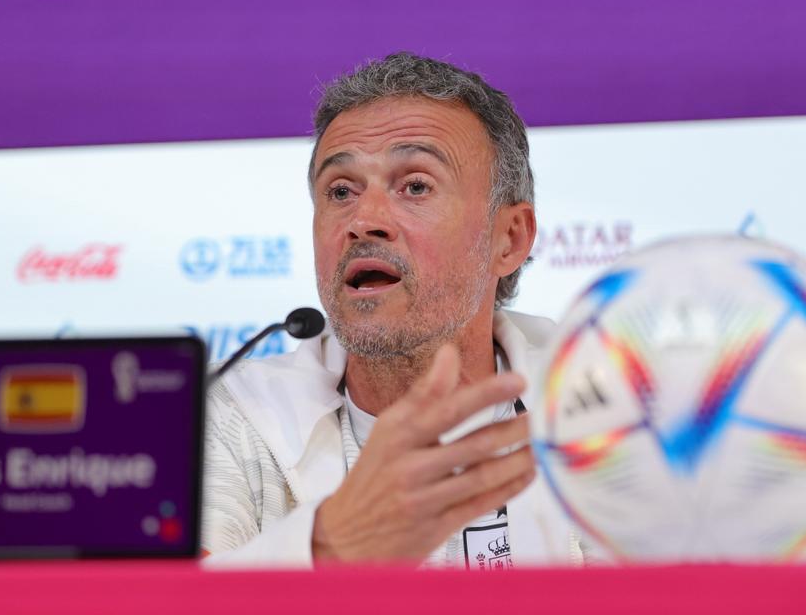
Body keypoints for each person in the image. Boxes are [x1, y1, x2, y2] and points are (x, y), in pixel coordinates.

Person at [202, 53, 582, 567]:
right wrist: (324, 550)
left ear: (509, 238)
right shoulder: (231, 416)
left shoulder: (601, 407)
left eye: (416, 186)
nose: (364, 221)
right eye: (340, 191)